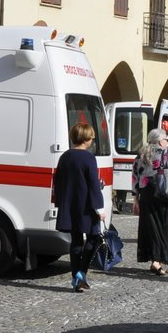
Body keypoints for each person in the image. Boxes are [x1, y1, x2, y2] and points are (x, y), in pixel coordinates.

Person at [51, 121, 105, 292]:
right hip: (86, 206)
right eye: (92, 138)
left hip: (70, 204)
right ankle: (81, 272)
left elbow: (57, 182)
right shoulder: (88, 158)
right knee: (93, 238)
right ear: (86, 138)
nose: (93, 141)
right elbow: (93, 185)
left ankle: (76, 276)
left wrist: (59, 202)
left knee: (75, 241)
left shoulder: (64, 156)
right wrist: (100, 208)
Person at [133, 126, 168, 275]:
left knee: (152, 228)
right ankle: (157, 261)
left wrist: (135, 197)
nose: (167, 142)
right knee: (167, 228)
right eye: (165, 139)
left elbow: (135, 176)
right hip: (164, 194)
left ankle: (155, 260)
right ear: (159, 141)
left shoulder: (141, 154)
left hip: (146, 195)